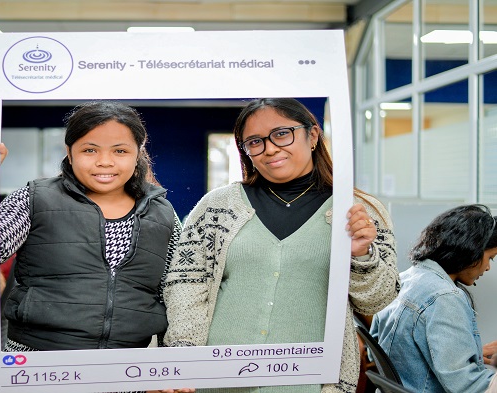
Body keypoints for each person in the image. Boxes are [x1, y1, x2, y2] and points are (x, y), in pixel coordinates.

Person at [162, 97, 400, 393]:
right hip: (217, 378)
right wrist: (183, 360)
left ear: (312, 135)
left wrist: (363, 255)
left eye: (281, 133)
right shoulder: (216, 208)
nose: (270, 148)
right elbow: (184, 288)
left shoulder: (358, 211)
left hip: (309, 381)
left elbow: (378, 300)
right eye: (255, 142)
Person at [0, 100, 181, 352]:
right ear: (70, 151)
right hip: (37, 360)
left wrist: (169, 366)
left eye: (120, 151)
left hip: (125, 369)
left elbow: (175, 294)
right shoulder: (35, 198)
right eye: (90, 150)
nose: (105, 162)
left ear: (138, 153)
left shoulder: (162, 214)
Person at [371, 204, 497, 393]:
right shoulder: (444, 298)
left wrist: (469, 352)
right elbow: (469, 387)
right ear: (471, 250)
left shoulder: (405, 279)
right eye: (491, 258)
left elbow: (381, 354)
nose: (487, 267)